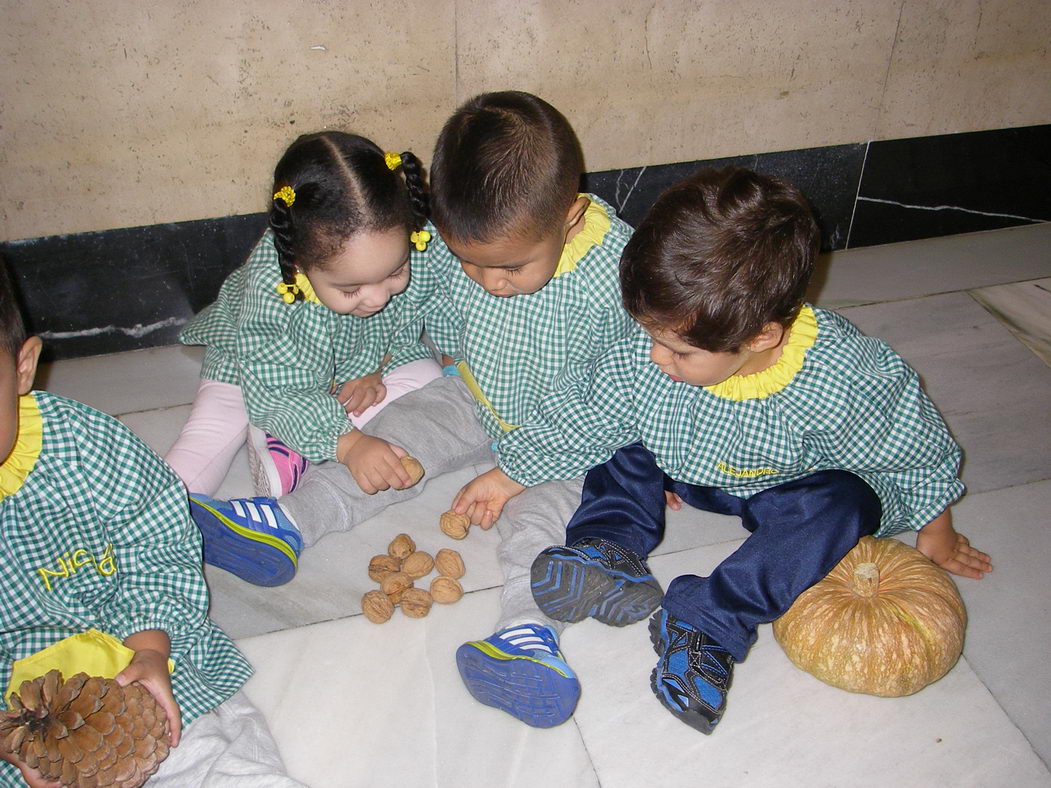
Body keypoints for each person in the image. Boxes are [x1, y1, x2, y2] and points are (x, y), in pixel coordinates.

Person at [452, 167, 993, 734]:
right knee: (613, 437)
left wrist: (937, 526)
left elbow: (912, 443)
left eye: (678, 351)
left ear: (762, 337)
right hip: (677, 458)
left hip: (776, 485)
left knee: (847, 503)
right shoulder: (652, 350)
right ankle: (606, 551)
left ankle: (707, 625)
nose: (657, 357)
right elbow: (587, 411)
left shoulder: (843, 379)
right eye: (651, 335)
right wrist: (511, 472)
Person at [189, 91, 637, 727]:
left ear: (570, 217)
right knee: (396, 439)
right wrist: (402, 370)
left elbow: (621, 395)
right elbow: (425, 307)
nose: (490, 282)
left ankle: (528, 639)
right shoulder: (462, 249)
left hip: (577, 436)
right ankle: (286, 521)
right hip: (480, 391)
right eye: (469, 262)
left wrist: (519, 468)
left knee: (542, 526)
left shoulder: (620, 274)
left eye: (509, 267)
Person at [0, 263, 303, 786]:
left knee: (212, 754)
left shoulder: (85, 447)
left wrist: (149, 648)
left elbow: (158, 539)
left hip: (133, 655)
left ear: (23, 367)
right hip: (15, 718)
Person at [168, 131, 442, 566]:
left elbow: (418, 311)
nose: (377, 298)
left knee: (431, 384)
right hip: (252, 369)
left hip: (362, 362)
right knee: (208, 435)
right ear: (298, 261)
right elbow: (274, 386)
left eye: (394, 272)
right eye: (351, 288)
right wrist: (348, 445)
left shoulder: (413, 242)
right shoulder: (272, 289)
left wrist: (378, 366)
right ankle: (146, 521)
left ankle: (295, 440)